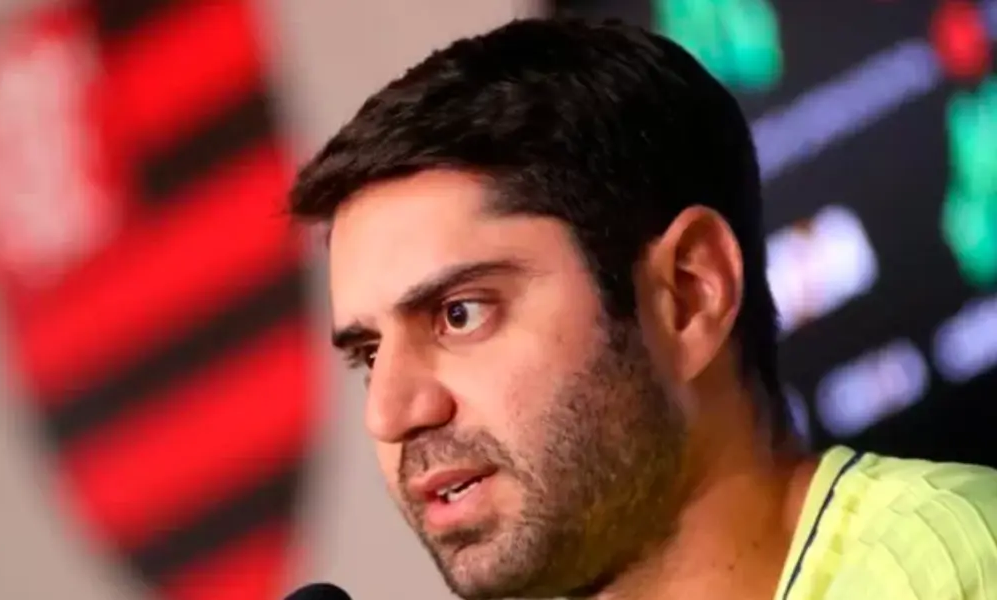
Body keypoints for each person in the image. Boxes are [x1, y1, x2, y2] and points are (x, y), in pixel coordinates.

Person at [288, 17, 997, 600]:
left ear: (689, 292)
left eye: (459, 313)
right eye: (369, 354)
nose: (389, 412)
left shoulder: (953, 570)